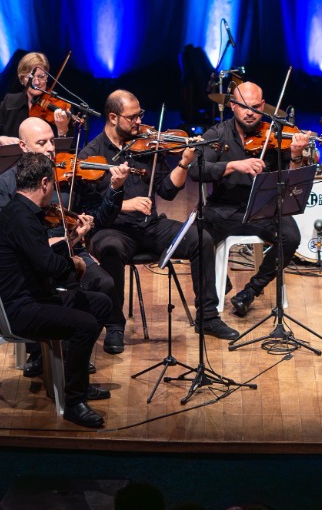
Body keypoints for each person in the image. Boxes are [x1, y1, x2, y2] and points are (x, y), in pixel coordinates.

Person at [85, 90, 241, 344]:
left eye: (140, 115)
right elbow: (88, 209)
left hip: (150, 226)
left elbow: (167, 191)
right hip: (113, 229)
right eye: (132, 117)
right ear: (113, 118)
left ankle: (208, 317)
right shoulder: (92, 155)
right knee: (110, 248)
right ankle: (114, 326)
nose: (139, 122)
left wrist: (184, 162)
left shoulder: (147, 147)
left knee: (201, 239)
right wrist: (125, 204)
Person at [0, 152, 117, 428]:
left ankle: (76, 378)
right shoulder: (22, 219)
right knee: (84, 324)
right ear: (45, 183)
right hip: (19, 309)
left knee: (101, 303)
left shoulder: (22, 212)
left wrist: (74, 238)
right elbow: (48, 266)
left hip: (32, 296)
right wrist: (75, 262)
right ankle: (74, 402)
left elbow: (40, 256)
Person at [0, 115, 119, 374]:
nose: (50, 148)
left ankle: (69, 355)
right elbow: (23, 247)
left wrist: (114, 190)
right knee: (69, 287)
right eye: (41, 143)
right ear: (23, 146)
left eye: (52, 141)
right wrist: (67, 257)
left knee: (103, 286)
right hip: (34, 269)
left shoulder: (66, 176)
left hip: (64, 251)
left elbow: (98, 216)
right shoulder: (8, 188)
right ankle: (46, 354)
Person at [193, 82, 315, 316]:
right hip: (223, 210)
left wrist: (296, 156)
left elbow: (292, 181)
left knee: (290, 237)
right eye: (243, 107)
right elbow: (196, 171)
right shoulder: (217, 134)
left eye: (255, 107)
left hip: (264, 210)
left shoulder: (276, 135)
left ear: (263, 106)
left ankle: (250, 291)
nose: (250, 112)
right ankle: (210, 303)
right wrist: (232, 165)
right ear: (232, 106)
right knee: (196, 238)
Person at [0, 52, 73, 148]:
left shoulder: (60, 107)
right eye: (31, 78)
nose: (36, 82)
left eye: (41, 76)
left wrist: (62, 131)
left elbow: (70, 149)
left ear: (47, 77)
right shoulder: (10, 101)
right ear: (22, 79)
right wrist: (0, 140)